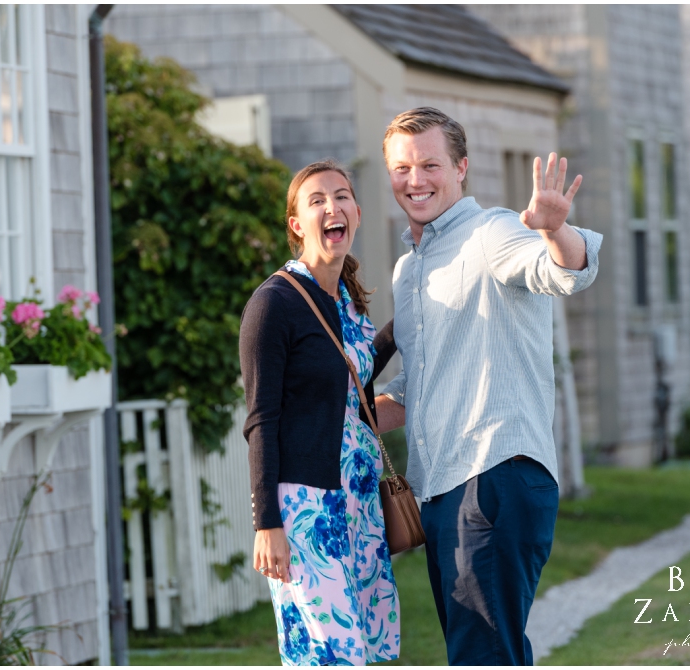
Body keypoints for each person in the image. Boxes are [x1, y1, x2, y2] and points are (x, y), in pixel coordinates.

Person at [372, 107, 602, 665]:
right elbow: (415, 386)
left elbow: (566, 270)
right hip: (444, 489)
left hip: (493, 476)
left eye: (430, 164)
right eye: (402, 167)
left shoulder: (492, 231)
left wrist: (554, 229)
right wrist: (334, 418)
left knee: (482, 654)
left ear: (462, 168)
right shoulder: (409, 271)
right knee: (483, 651)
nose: (415, 179)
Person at [240, 159, 401, 666]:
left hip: (360, 503)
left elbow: (353, 395)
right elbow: (260, 419)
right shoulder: (275, 304)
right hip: (307, 508)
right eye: (317, 200)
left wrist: (418, 315)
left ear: (356, 211)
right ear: (296, 224)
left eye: (342, 196)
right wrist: (268, 523)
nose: (332, 207)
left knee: (371, 650)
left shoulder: (349, 303)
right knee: (332, 655)